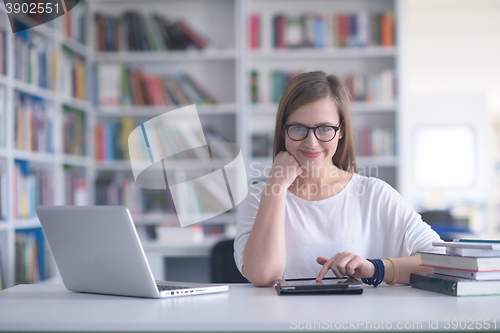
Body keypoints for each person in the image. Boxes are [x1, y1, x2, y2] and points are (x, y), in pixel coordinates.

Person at [234, 71, 441, 287]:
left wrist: (375, 268)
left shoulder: (375, 194)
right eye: (298, 128)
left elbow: (442, 263)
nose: (311, 143)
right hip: (282, 321)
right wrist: (276, 185)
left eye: (324, 129)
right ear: (283, 131)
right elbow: (263, 276)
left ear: (341, 130)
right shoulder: (259, 197)